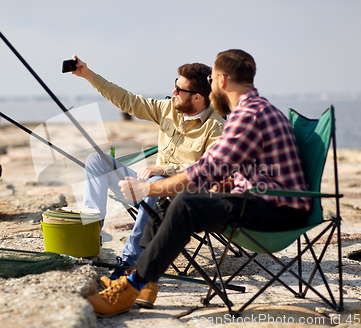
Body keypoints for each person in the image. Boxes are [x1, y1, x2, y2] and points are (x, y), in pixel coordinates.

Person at [86, 49, 313, 317]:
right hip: (259, 200)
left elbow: (206, 170)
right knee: (174, 201)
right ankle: (143, 280)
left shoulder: (247, 116)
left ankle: (131, 286)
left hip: (276, 211)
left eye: (212, 79)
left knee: (182, 203)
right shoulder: (252, 109)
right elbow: (244, 169)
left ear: (222, 81)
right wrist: (226, 183)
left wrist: (152, 187)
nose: (211, 84)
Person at [70, 56, 225, 282]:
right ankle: (91, 236)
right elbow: (128, 101)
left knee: (156, 182)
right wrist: (88, 75)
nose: (173, 92)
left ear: (198, 97)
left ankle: (130, 261)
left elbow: (209, 168)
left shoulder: (216, 126)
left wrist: (163, 169)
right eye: (175, 85)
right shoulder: (168, 109)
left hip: (180, 198)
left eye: (179, 89)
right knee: (97, 160)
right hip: (146, 188)